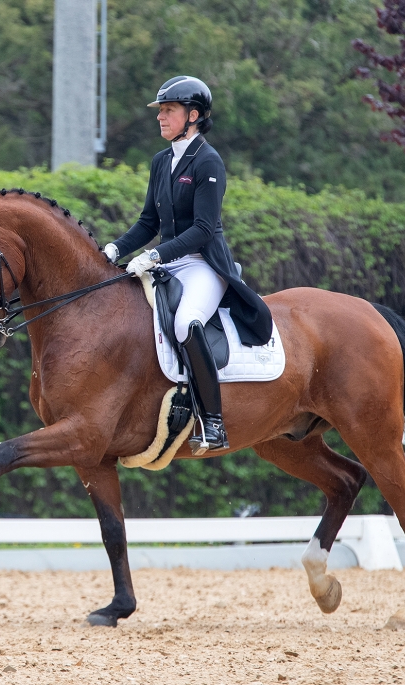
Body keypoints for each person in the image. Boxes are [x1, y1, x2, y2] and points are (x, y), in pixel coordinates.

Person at [103, 76, 273, 455]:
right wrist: (113, 250)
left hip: (204, 264)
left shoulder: (208, 160)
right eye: (160, 111)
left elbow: (202, 228)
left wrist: (155, 256)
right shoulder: (161, 161)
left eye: (168, 111)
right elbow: (149, 223)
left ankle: (213, 422)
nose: (160, 118)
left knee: (185, 322)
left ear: (193, 115)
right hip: (169, 264)